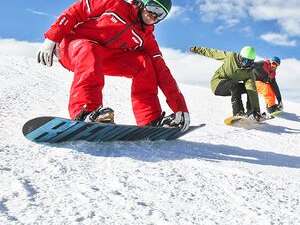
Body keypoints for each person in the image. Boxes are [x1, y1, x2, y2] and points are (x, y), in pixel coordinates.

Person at [37, 0, 190, 131]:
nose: (154, 15)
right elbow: (76, 11)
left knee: (145, 63)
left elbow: (162, 72)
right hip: (72, 47)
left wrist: (180, 107)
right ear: (142, 2)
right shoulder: (114, 4)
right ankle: (85, 111)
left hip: (102, 57)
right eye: (153, 8)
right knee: (89, 49)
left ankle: (150, 119)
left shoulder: (146, 37)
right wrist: (52, 38)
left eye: (161, 14)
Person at [190, 46, 262, 121]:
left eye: (249, 62)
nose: (245, 64)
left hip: (232, 86)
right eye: (244, 60)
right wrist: (196, 49)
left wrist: (257, 110)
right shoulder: (231, 57)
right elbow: (212, 53)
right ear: (240, 57)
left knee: (249, 89)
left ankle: (252, 112)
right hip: (218, 84)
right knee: (235, 85)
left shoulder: (249, 72)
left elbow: (252, 91)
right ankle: (238, 112)